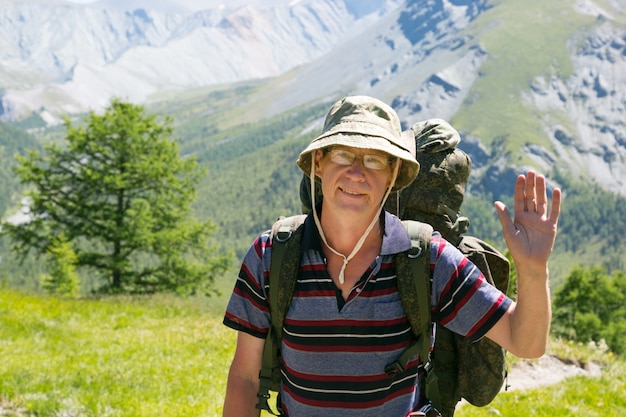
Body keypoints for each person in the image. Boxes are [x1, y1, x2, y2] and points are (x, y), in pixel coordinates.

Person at [222, 95, 561, 417]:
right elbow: (245, 378)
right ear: (318, 163)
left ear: (393, 175)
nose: (357, 172)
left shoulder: (427, 259)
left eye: (374, 159)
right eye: (342, 154)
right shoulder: (272, 255)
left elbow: (525, 341)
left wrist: (533, 270)